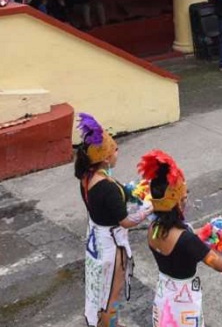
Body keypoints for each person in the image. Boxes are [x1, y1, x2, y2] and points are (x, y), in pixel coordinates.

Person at [142, 150, 222, 325]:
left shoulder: (153, 229)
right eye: (184, 198)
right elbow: (220, 265)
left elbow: (183, 238)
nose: (186, 201)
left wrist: (207, 229)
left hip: (164, 297)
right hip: (184, 304)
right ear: (177, 202)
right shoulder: (186, 240)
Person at [75, 113, 151, 327]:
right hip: (111, 246)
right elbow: (126, 221)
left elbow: (111, 201)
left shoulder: (87, 176)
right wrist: (147, 209)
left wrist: (129, 191)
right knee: (111, 296)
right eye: (115, 149)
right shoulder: (107, 188)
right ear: (106, 158)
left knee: (100, 293)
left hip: (96, 241)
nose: (118, 152)